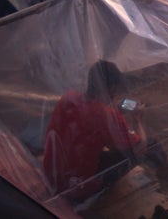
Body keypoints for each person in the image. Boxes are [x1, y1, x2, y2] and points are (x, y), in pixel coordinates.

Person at [43, 60, 147, 202]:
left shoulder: (69, 97)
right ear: (112, 88)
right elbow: (139, 148)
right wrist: (137, 119)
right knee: (137, 151)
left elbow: (87, 122)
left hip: (50, 174)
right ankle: (99, 191)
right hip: (76, 187)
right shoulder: (107, 115)